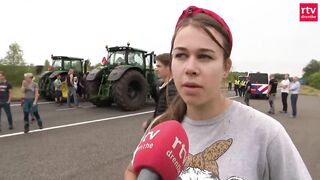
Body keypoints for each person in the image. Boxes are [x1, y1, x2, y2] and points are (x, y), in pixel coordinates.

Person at [124, 6, 311, 180]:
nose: (190, 68)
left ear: (225, 68)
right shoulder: (160, 126)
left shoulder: (267, 134)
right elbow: (132, 171)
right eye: (180, 55)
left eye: (204, 56)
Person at [142, 53, 177, 130]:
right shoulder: (163, 86)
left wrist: (150, 123)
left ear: (169, 67)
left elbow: (171, 115)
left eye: (159, 66)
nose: (156, 69)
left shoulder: (172, 89)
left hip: (164, 130)